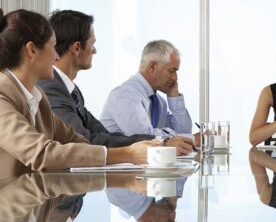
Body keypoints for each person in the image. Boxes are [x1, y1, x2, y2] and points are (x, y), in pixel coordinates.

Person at [0, 9, 154, 178]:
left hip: (34, 200)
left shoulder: (37, 96)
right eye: (53, 47)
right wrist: (126, 154)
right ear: (32, 50)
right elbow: (42, 154)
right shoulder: (3, 97)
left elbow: (75, 139)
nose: (57, 55)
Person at [37, 10, 194, 154]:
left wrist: (163, 142)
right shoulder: (52, 89)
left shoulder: (72, 90)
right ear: (77, 48)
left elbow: (104, 134)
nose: (95, 50)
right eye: (92, 44)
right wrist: (162, 143)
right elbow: (85, 141)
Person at [100, 40, 195, 142]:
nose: (175, 78)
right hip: (118, 158)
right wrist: (182, 137)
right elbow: (145, 138)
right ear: (152, 66)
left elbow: (184, 131)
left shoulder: (160, 102)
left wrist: (174, 97)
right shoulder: (125, 95)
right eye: (171, 71)